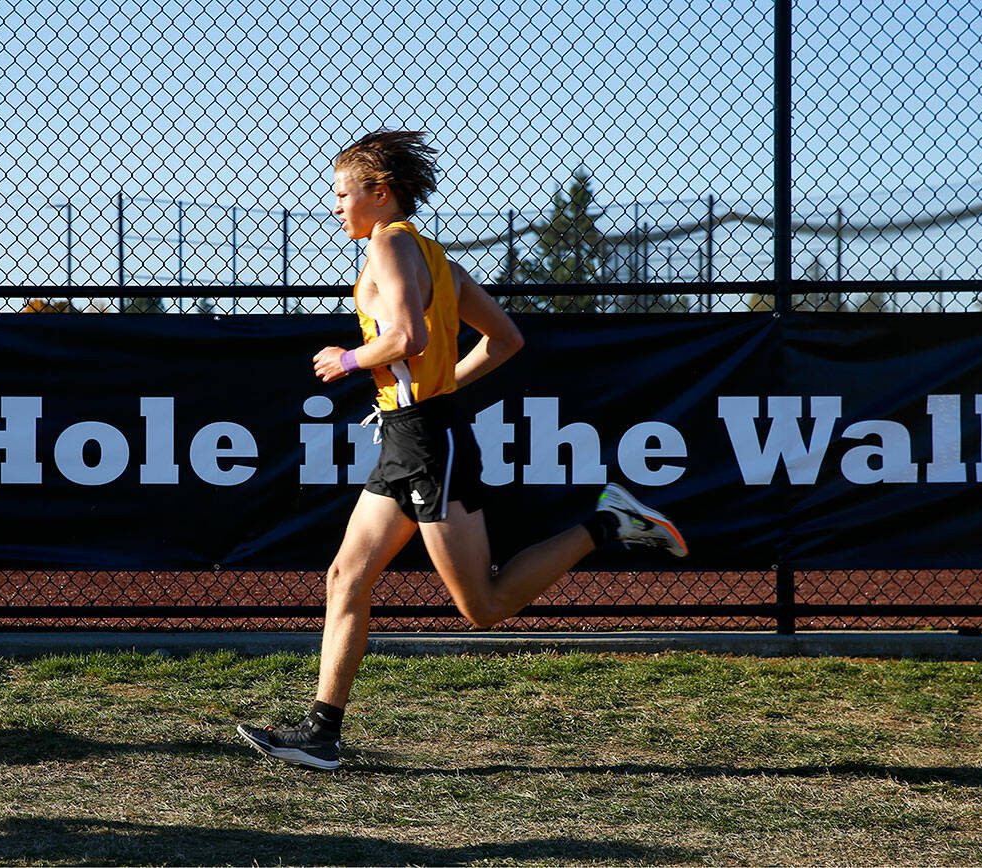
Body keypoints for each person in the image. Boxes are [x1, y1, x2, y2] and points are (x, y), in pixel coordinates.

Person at [237, 130, 687, 770]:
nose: (334, 206)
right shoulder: (433, 254)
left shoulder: (390, 245)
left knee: (484, 604)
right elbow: (504, 340)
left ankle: (608, 521)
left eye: (342, 193)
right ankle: (322, 733)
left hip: (424, 441)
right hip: (410, 433)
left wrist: (349, 359)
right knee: (346, 575)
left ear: (379, 193)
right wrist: (434, 390)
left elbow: (408, 336)